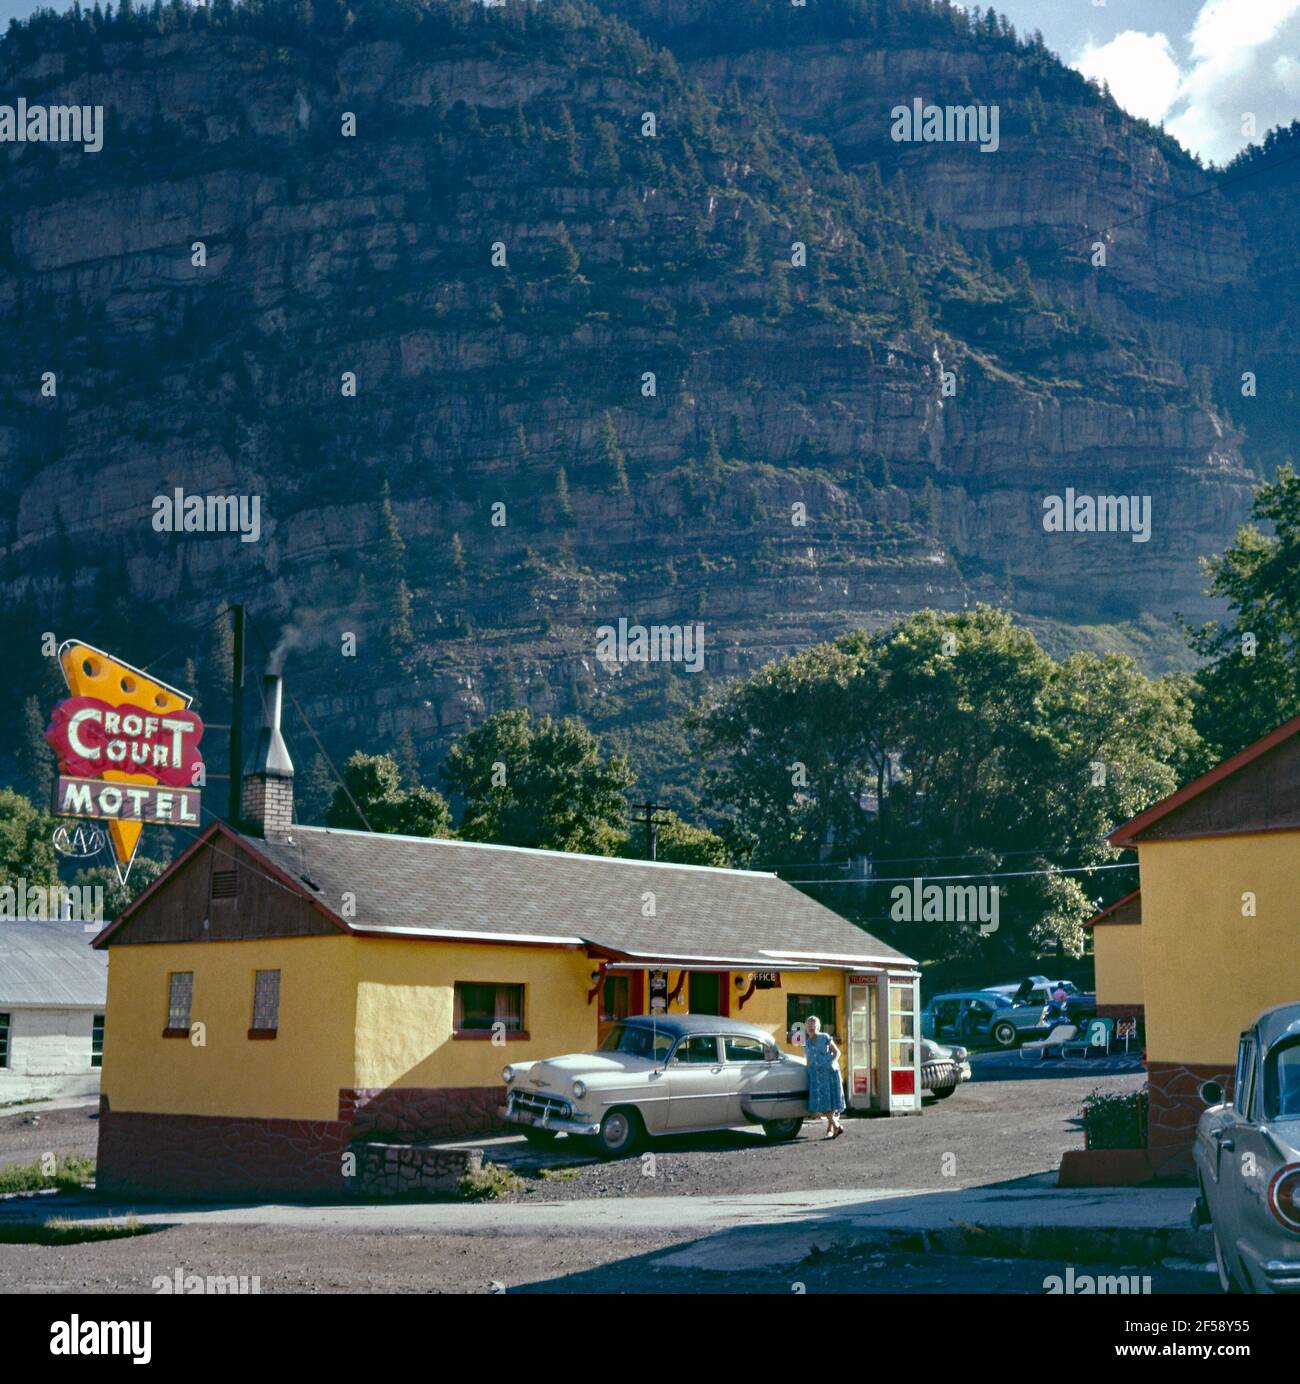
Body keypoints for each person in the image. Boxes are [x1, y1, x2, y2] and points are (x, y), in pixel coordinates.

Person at [803, 1014, 846, 1139]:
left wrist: (832, 1062)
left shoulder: (825, 1037)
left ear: (818, 1026)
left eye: (814, 1024)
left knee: (830, 1102)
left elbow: (837, 1052)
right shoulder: (806, 1043)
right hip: (816, 1076)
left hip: (830, 1073)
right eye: (809, 1025)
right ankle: (836, 1125)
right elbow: (808, 1061)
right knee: (822, 1103)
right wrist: (808, 1071)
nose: (811, 1027)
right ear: (806, 1027)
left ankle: (831, 1128)